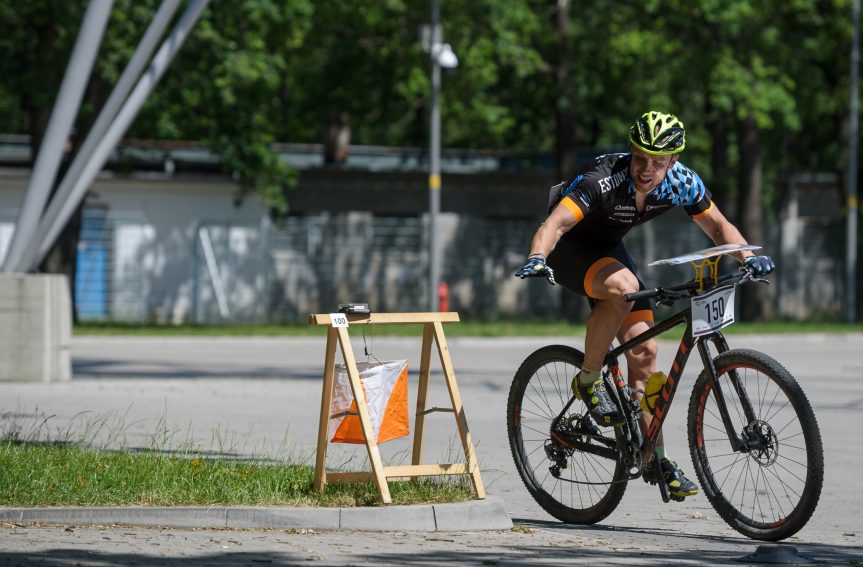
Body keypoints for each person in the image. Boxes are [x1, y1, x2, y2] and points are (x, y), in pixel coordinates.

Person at [514, 111, 775, 499]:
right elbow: (556, 225)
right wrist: (537, 256)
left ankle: (656, 457)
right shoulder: (604, 177)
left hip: (608, 250)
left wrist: (748, 257)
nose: (646, 169)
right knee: (624, 287)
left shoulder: (682, 182)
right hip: (569, 250)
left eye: (657, 161)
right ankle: (588, 379)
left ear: (674, 160)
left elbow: (719, 226)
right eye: (640, 158)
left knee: (645, 352)